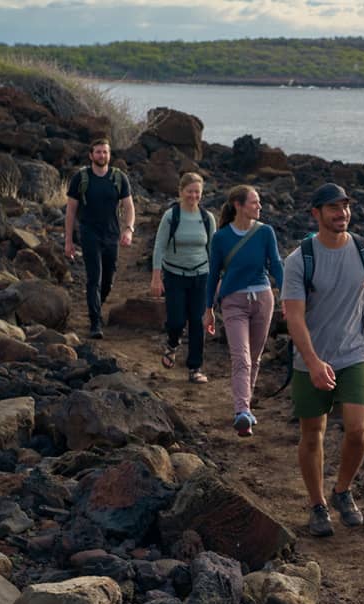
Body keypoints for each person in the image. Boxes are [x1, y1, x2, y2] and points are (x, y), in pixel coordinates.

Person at [280, 182, 364, 536]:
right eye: (333, 208)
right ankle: (317, 505)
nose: (341, 214)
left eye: (345, 207)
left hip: (354, 354)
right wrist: (312, 362)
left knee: (358, 430)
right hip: (310, 358)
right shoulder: (299, 260)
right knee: (313, 434)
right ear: (316, 214)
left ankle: (342, 490)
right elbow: (293, 316)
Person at [206, 184, 282, 437]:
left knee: (256, 358)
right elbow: (213, 274)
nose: (259, 206)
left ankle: (245, 407)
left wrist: (291, 297)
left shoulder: (266, 232)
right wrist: (208, 308)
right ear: (238, 205)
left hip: (263, 298)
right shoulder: (221, 238)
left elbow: (277, 266)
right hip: (233, 301)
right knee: (242, 358)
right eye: (254, 202)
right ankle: (241, 411)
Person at [64, 138, 134, 339]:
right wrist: (68, 241)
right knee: (94, 277)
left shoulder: (119, 178)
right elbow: (70, 211)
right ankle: (95, 322)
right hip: (89, 234)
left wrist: (128, 229)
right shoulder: (81, 178)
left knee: (108, 280)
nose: (102, 155)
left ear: (109, 155)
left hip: (111, 234)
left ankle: (96, 306)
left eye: (105, 152)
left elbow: (129, 207)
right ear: (91, 155)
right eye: (98, 152)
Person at [150, 172, 217, 384]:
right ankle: (172, 344)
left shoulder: (207, 218)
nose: (193, 195)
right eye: (190, 191)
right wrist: (156, 277)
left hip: (201, 276)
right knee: (177, 320)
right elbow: (159, 246)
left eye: (197, 192)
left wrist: (217, 279)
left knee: (198, 322)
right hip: (174, 275)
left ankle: (195, 368)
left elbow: (213, 251)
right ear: (181, 192)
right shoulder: (171, 216)